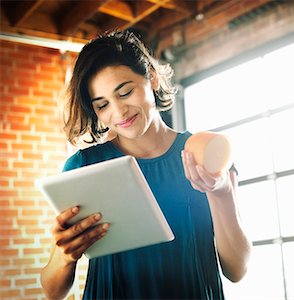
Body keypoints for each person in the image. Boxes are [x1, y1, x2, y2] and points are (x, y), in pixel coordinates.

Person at [40, 30, 251, 300]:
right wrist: (64, 255)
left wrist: (221, 193)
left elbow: (237, 270)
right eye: (102, 105)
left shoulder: (201, 157)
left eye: (125, 92)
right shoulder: (84, 166)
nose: (119, 112)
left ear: (151, 76)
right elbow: (52, 291)